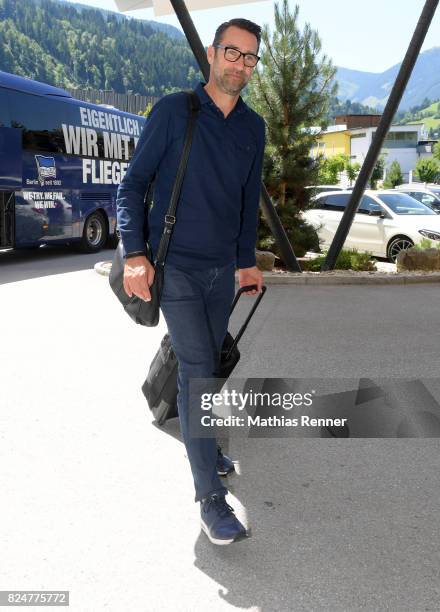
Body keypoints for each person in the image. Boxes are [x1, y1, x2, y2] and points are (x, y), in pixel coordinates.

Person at [116, 18, 266, 545]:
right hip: (173, 266)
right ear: (211, 53)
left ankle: (201, 442)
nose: (240, 64)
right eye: (232, 52)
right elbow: (132, 185)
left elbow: (249, 201)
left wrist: (246, 261)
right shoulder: (175, 111)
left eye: (250, 57)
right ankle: (209, 499)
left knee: (203, 362)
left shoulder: (253, 127)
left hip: (222, 273)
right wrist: (135, 254)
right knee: (200, 370)